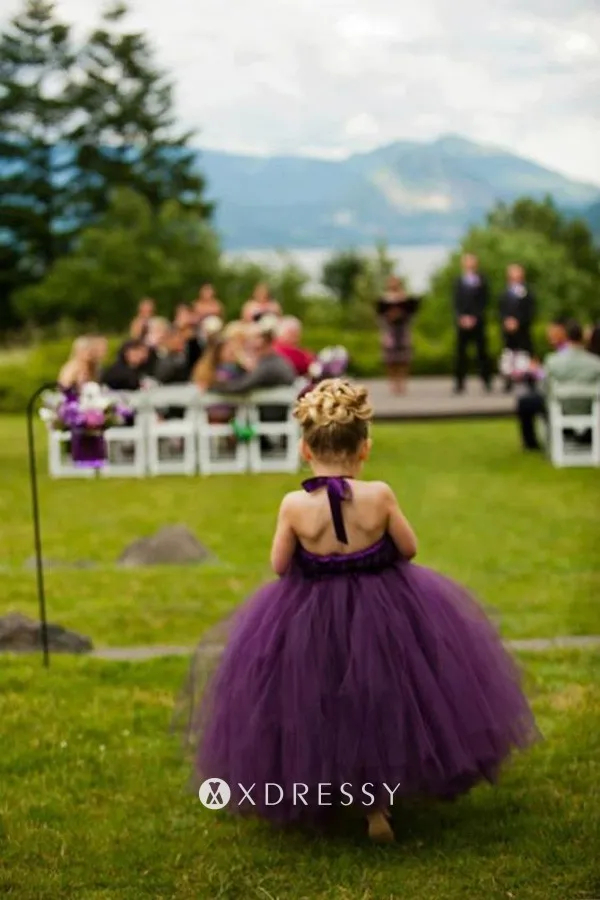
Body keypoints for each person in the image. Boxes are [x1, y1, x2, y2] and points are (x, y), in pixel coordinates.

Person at [177, 378, 538, 841]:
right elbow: (408, 549)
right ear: (364, 448)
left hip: (309, 616)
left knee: (319, 699)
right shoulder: (380, 495)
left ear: (306, 449)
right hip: (384, 608)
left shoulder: (293, 504)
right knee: (384, 699)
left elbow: (279, 564)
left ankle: (323, 790)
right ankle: (377, 808)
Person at [516, 320, 600, 450]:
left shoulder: (553, 361)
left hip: (560, 407)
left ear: (566, 336)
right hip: (589, 407)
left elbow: (544, 388)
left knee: (526, 401)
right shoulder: (595, 363)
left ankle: (531, 444)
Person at [452, 254, 491, 394]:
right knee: (461, 354)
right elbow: (456, 302)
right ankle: (459, 383)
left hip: (478, 322)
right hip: (462, 322)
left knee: (482, 353)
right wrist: (461, 317)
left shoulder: (482, 280)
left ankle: (486, 381)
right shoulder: (459, 281)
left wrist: (475, 317)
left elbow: (484, 301)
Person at [376, 275, 420, 394]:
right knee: (390, 360)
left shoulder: (405, 297)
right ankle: (393, 383)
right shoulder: (384, 298)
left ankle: (402, 383)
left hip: (403, 330)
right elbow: (379, 315)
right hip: (390, 331)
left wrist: (401, 314)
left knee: (404, 359)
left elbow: (412, 314)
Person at [498, 265, 535, 392]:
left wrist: (518, 322)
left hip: (523, 332)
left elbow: (530, 311)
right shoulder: (504, 294)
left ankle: (529, 381)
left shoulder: (527, 293)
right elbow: (501, 311)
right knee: (508, 358)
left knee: (524, 358)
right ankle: (508, 381)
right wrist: (507, 322)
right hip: (508, 333)